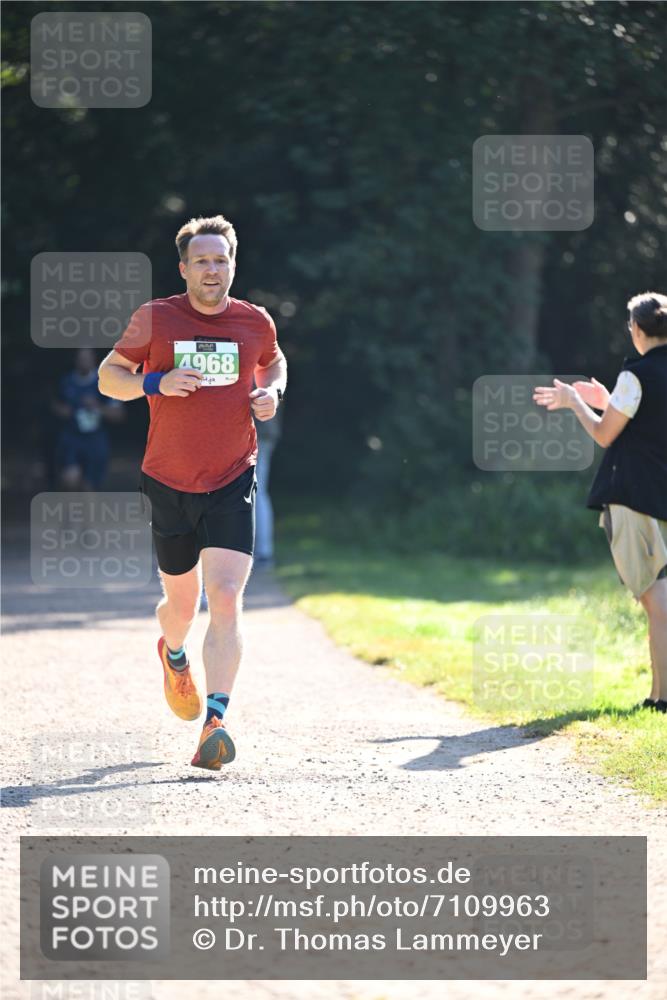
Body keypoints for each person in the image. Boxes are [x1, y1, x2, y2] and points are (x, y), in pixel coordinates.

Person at [98, 214, 287, 769]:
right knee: (181, 606)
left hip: (232, 475)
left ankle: (216, 722)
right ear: (183, 268)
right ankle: (173, 653)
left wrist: (270, 391)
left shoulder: (254, 322)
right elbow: (110, 376)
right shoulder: (156, 319)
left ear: (233, 264)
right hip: (169, 481)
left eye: (221, 259)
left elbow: (272, 361)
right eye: (202, 260)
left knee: (225, 595)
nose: (212, 269)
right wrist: (156, 381)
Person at [534, 291, 667, 713]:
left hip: (635, 496)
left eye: (630, 325)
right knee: (658, 598)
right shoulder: (646, 378)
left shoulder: (637, 375)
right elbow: (647, 426)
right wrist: (607, 400)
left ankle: (664, 699)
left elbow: (606, 435)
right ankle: (656, 696)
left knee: (655, 597)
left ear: (639, 330)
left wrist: (575, 403)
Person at [52, 347, 124, 489]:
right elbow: (55, 404)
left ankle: (87, 508)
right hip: (72, 437)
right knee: (70, 478)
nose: (84, 362)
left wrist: (97, 407)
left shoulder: (105, 382)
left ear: (94, 360)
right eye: (81, 358)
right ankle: (69, 508)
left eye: (87, 358)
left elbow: (119, 414)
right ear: (76, 360)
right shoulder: (66, 382)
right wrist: (63, 411)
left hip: (96, 439)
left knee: (90, 487)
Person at [253, 395, 282, 566]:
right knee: (259, 491)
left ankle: (261, 552)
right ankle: (263, 552)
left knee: (255, 492)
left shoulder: (254, 368)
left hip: (251, 430)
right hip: (266, 430)